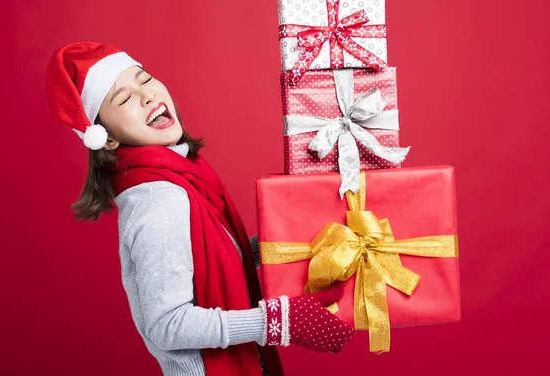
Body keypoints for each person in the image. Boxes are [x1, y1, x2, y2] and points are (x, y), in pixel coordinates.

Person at [45, 42, 355, 376]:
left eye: (144, 79)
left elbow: (205, 263)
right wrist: (279, 320)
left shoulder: (181, 177)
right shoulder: (158, 199)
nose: (146, 96)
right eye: (123, 98)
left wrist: (283, 248)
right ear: (105, 138)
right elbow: (167, 324)